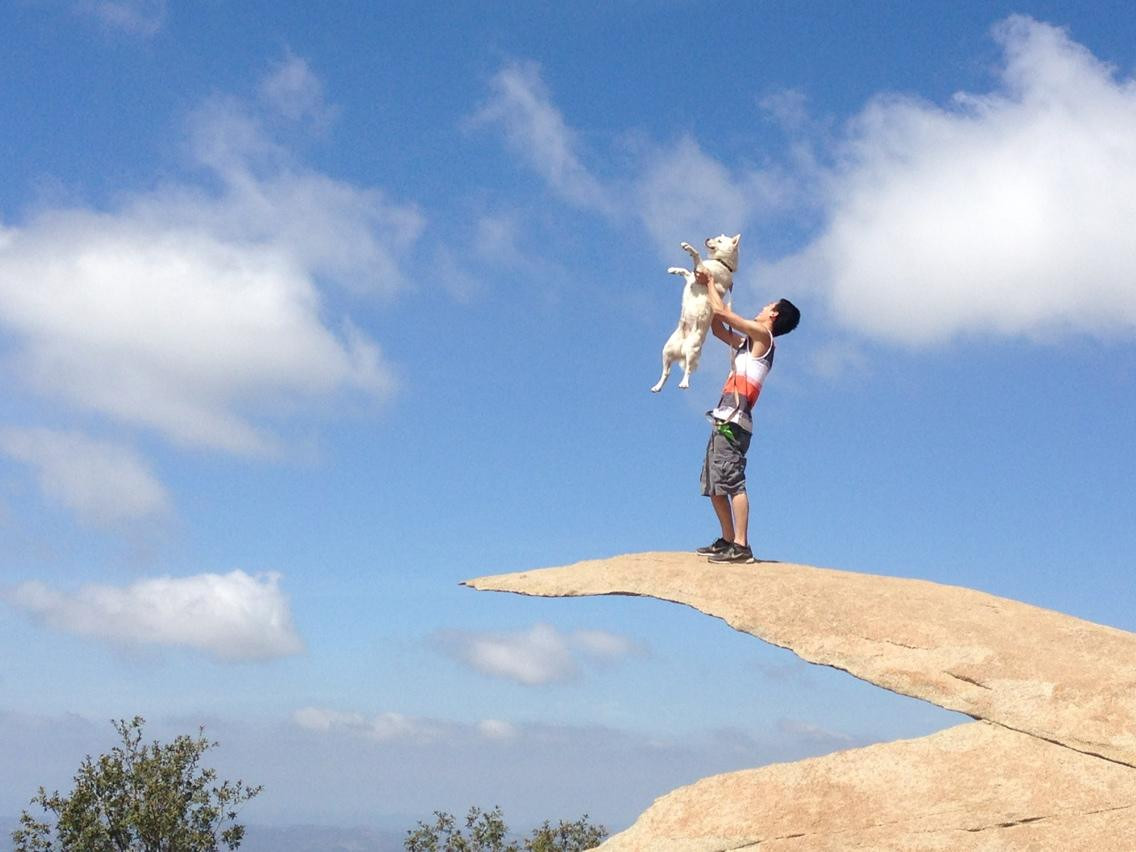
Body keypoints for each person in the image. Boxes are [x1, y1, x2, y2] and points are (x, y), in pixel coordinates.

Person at [695, 269, 800, 563]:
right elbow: (719, 327)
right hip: (723, 417)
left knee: (732, 482)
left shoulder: (763, 336)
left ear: (775, 316)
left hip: (735, 422)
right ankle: (727, 540)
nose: (762, 307)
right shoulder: (748, 342)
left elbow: (727, 317)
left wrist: (713, 285)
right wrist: (712, 298)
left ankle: (741, 545)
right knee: (715, 484)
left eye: (768, 306)